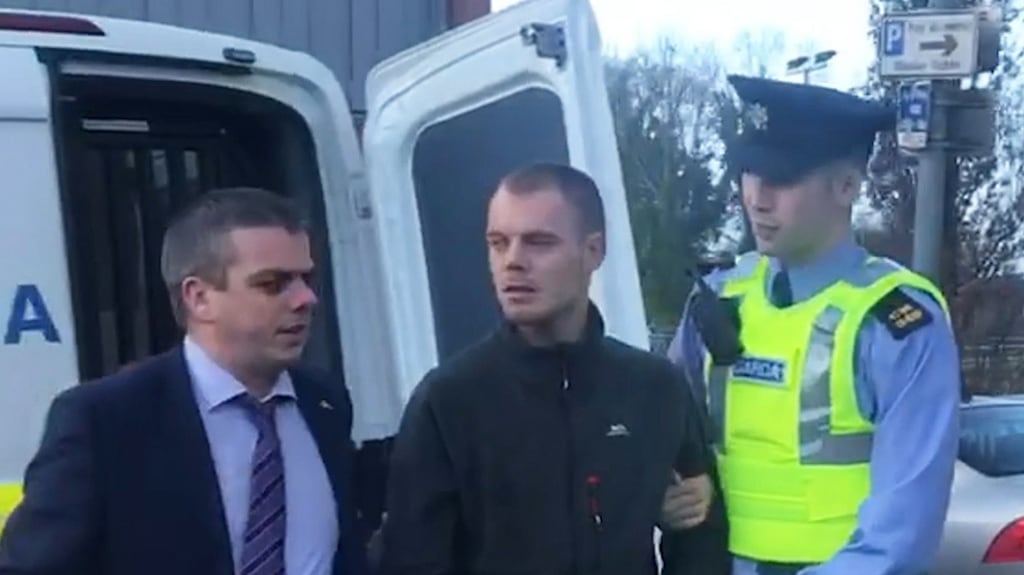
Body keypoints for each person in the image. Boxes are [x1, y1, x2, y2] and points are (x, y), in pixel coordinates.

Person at [663, 75, 962, 575]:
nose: (756, 198)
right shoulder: (720, 296)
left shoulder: (896, 323)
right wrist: (667, 490)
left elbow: (903, 533)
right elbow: (660, 432)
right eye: (749, 172)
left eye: (781, 180)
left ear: (846, 186)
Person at [379, 163, 731, 575]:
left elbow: (701, 540)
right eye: (498, 243)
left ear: (593, 251)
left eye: (539, 243)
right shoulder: (447, 402)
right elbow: (412, 562)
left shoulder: (655, 389)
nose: (512, 262)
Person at [0, 187, 365, 575]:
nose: (305, 299)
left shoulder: (324, 402)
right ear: (199, 297)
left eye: (306, 278)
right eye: (273, 284)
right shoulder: (105, 420)